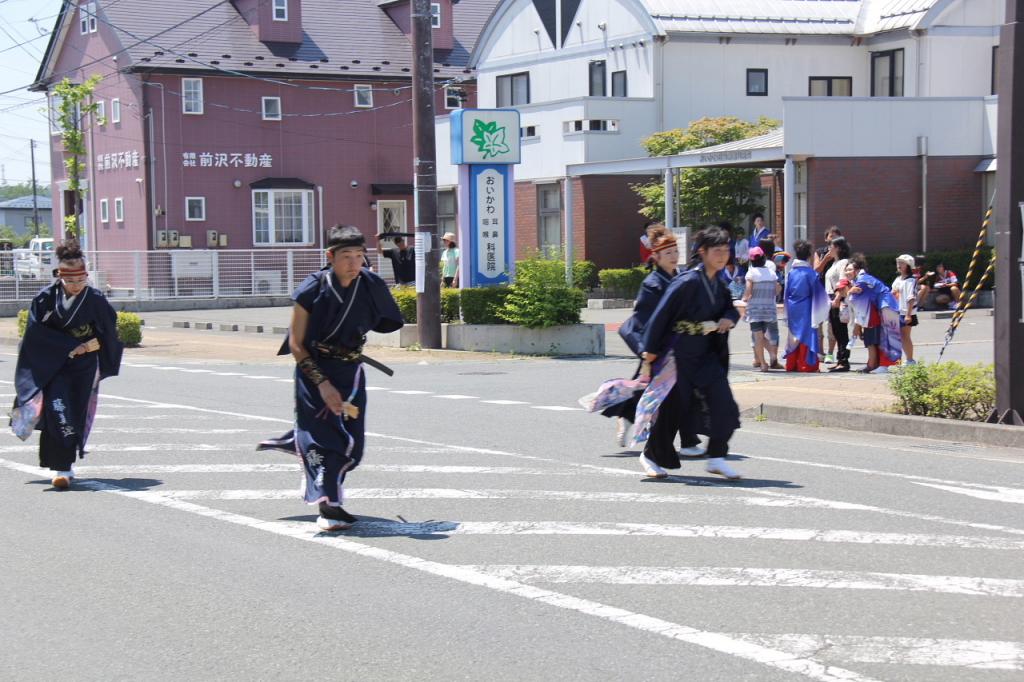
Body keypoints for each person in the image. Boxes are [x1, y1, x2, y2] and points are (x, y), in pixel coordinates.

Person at [259, 225, 404, 531]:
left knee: (353, 443)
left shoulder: (370, 284)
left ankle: (297, 438)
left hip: (350, 370)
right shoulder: (312, 289)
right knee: (328, 442)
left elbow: (386, 320)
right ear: (330, 256)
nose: (354, 263)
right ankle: (329, 507)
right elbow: (297, 344)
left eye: (359, 255)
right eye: (346, 256)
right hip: (313, 370)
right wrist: (322, 384)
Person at [11, 239, 123, 489]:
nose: (75, 286)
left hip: (84, 366)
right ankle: (62, 468)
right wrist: (66, 347)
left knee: (77, 411)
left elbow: (108, 334)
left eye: (80, 280)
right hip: (54, 366)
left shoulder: (94, 299)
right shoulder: (45, 299)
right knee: (58, 409)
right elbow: (35, 334)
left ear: (86, 276)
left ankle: (65, 465)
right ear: (60, 277)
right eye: (70, 281)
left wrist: (88, 346)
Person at [634, 227, 743, 480]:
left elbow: (730, 308)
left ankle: (716, 456)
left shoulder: (718, 282)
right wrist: (649, 354)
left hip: (706, 354)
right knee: (673, 410)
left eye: (726, 251)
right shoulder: (687, 282)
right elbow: (660, 316)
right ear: (702, 252)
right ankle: (650, 455)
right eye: (717, 251)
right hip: (679, 354)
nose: (723, 256)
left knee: (725, 404)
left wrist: (728, 317)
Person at [604, 225, 702, 460]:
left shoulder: (678, 278)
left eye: (676, 251)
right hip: (655, 347)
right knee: (669, 393)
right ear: (655, 257)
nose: (674, 256)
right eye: (668, 253)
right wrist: (648, 352)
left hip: (675, 348)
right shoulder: (652, 284)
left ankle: (631, 419)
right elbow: (644, 321)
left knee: (667, 392)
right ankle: (681, 441)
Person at [846, 254, 902, 373]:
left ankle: (886, 365)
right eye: (846, 270)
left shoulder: (862, 280)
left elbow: (854, 301)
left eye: (850, 269)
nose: (847, 272)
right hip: (884, 305)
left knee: (888, 336)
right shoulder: (861, 279)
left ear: (857, 270)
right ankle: (885, 364)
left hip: (886, 305)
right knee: (887, 336)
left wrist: (849, 293)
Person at [784, 240, 829, 372]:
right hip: (806, 307)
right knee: (807, 335)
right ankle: (806, 365)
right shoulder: (811, 274)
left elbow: (786, 293)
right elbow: (819, 294)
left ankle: (791, 364)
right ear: (809, 256)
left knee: (793, 335)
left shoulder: (791, 273)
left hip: (792, 306)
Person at [743, 246, 781, 372]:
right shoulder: (771, 273)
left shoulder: (751, 272)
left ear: (751, 260)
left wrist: (744, 300)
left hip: (755, 310)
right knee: (763, 336)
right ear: (764, 258)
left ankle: (764, 363)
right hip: (769, 309)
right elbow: (777, 290)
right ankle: (772, 353)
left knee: (758, 337)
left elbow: (748, 291)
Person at [824, 237, 852, 371]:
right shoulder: (833, 263)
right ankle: (840, 359)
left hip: (838, 298)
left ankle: (844, 360)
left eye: (832, 246)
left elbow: (843, 282)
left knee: (841, 331)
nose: (829, 248)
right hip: (830, 298)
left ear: (839, 248)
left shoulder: (843, 263)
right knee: (835, 330)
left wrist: (837, 298)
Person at [892, 254, 918, 365]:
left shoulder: (911, 280)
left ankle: (910, 360)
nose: (899, 265)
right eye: (898, 262)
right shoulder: (898, 279)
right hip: (897, 311)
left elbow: (911, 298)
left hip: (906, 312)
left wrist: (908, 314)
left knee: (905, 336)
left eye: (902, 263)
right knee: (898, 337)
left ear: (908, 265)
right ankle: (902, 360)